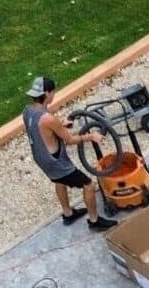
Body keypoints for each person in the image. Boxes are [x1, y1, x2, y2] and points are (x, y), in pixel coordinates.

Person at [22, 76, 114, 231]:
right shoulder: (48, 119)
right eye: (53, 92)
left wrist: (61, 125)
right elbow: (70, 140)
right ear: (47, 93)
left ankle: (68, 213)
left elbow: (43, 129)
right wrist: (91, 136)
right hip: (56, 162)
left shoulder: (28, 111)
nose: (54, 95)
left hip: (41, 158)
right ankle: (94, 221)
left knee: (59, 181)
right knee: (88, 185)